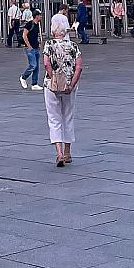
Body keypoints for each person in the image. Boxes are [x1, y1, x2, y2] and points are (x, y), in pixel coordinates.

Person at [42, 21, 82, 167]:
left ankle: (58, 153)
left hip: (51, 86)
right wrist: (72, 84)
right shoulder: (73, 46)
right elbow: (79, 67)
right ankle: (67, 152)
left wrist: (53, 78)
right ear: (65, 33)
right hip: (69, 85)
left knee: (54, 118)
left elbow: (46, 63)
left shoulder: (49, 44)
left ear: (53, 32)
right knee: (68, 116)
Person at [19, 10, 43, 91]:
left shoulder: (37, 25)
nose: (41, 17)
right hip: (30, 48)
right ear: (36, 16)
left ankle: (34, 84)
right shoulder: (29, 24)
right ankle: (23, 77)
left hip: (35, 47)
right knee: (33, 65)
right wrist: (29, 46)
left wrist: (38, 44)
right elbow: (24, 35)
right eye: (40, 15)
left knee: (37, 67)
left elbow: (35, 36)